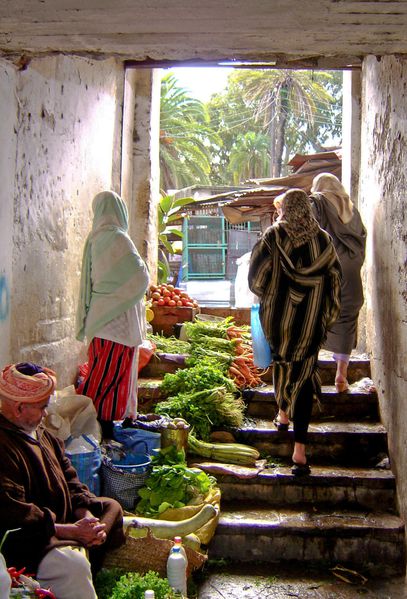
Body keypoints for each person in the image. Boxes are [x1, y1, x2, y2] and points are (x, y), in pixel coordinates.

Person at [0, 362, 125, 599]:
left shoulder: (43, 435)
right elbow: (14, 515)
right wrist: (71, 532)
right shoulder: (3, 445)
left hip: (64, 520)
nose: (46, 413)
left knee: (111, 507)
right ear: (18, 408)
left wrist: (87, 518)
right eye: (41, 407)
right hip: (31, 536)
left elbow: (71, 481)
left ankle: (89, 542)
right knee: (72, 565)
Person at [248, 189, 341, 475]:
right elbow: (336, 283)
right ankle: (299, 452)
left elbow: (256, 280)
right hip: (310, 325)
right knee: (303, 377)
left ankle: (282, 413)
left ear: (286, 208)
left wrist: (275, 294)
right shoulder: (324, 241)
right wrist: (326, 316)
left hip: (278, 322)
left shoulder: (273, 237)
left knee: (283, 367)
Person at [76, 191, 150, 439]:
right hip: (115, 324)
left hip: (102, 320)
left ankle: (101, 426)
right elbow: (140, 277)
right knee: (109, 377)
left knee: (102, 375)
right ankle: (92, 426)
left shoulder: (96, 239)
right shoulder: (118, 238)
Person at [310, 173, 367, 392]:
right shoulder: (352, 210)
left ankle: (309, 373)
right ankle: (341, 378)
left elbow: (309, 230)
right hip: (351, 273)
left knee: (315, 318)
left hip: (328, 269)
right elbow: (361, 238)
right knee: (347, 320)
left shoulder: (317, 202)